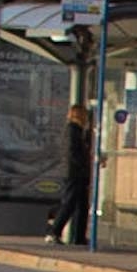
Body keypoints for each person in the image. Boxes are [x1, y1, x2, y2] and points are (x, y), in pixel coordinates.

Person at [46, 105, 92, 246]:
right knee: (70, 203)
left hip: (78, 173)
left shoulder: (78, 131)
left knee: (82, 205)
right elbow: (72, 153)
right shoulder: (72, 131)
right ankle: (54, 232)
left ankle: (79, 237)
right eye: (84, 115)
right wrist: (82, 165)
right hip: (74, 173)